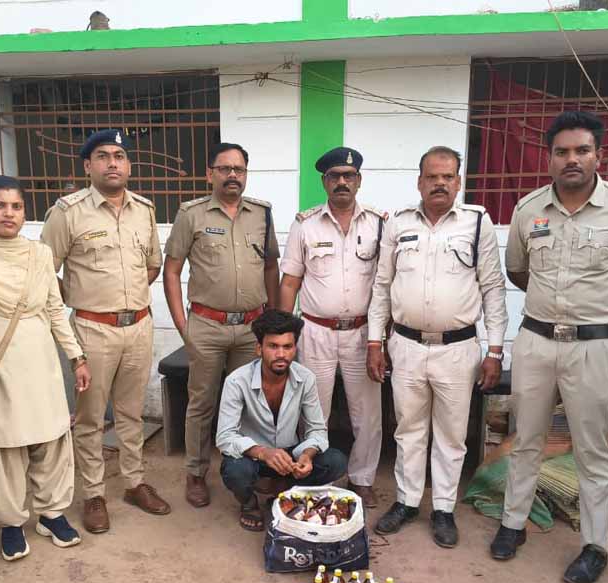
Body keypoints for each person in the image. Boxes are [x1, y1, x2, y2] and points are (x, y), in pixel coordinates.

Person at [490, 111, 608, 583]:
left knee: (592, 447)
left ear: (598, 156)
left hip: (593, 346)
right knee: (526, 437)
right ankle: (513, 524)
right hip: (536, 341)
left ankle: (594, 546)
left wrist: (605, 306)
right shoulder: (528, 209)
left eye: (582, 150)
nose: (572, 159)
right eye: (562, 151)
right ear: (549, 158)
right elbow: (517, 271)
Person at [367, 146, 508, 549]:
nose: (440, 184)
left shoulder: (477, 223)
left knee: (451, 435)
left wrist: (495, 350)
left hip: (457, 350)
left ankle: (443, 509)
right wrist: (375, 341)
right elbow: (382, 285)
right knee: (408, 430)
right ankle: (407, 502)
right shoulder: (398, 223)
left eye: (448, 177)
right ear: (420, 182)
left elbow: (493, 288)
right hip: (406, 346)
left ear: (459, 182)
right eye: (432, 177)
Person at [0, 176, 90, 561]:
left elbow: (55, 311)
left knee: (52, 440)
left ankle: (52, 514)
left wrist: (76, 357)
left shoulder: (40, 253)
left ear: (25, 212)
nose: (8, 213)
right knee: (5, 447)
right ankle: (11, 523)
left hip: (42, 365)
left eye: (16, 206)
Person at [41, 129, 169, 534]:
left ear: (128, 164)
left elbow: (153, 264)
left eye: (119, 155)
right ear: (88, 166)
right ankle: (94, 493)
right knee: (91, 417)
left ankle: (134, 482)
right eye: (103, 156)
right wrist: (80, 298)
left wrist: (127, 299)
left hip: (139, 326)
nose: (112, 163)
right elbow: (43, 271)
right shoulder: (67, 212)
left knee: (131, 412)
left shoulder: (144, 209)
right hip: (92, 330)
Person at [163, 142, 281, 509]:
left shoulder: (261, 214)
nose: (233, 175)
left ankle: (248, 470)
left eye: (239, 169)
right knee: (202, 403)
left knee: (252, 403)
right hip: (207, 327)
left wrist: (274, 321)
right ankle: (196, 472)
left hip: (251, 329)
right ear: (209, 174)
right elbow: (171, 270)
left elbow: (271, 267)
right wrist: (183, 326)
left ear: (246, 174)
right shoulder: (191, 214)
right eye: (225, 168)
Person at [279, 147, 384, 508]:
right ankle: (314, 477)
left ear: (359, 180)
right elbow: (290, 281)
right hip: (315, 331)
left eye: (349, 176)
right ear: (324, 182)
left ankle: (362, 479)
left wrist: (381, 337)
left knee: (366, 413)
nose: (342, 182)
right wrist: (284, 335)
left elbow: (386, 284)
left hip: (363, 333)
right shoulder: (305, 224)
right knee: (313, 410)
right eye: (335, 176)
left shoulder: (378, 223)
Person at [216, 310, 347, 531]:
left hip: (290, 456)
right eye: (273, 346)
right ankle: (249, 503)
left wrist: (307, 455)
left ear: (295, 349)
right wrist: (263, 453)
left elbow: (317, 429)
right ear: (259, 349)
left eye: (287, 347)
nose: (281, 354)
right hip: (254, 456)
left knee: (336, 461)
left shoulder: (305, 378)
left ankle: (287, 493)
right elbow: (225, 437)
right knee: (234, 469)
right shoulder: (236, 381)